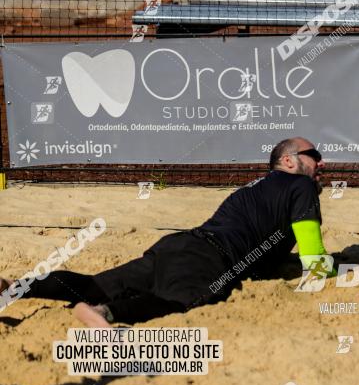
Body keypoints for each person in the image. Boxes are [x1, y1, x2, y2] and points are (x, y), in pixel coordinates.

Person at [0, 138, 335, 328]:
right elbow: (315, 263)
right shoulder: (299, 186)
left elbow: (261, 250)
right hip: (205, 259)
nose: (322, 164)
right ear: (290, 161)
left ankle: (15, 288)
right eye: (314, 156)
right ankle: (104, 314)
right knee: (182, 300)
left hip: (176, 245)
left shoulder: (251, 190)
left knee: (94, 284)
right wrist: (346, 268)